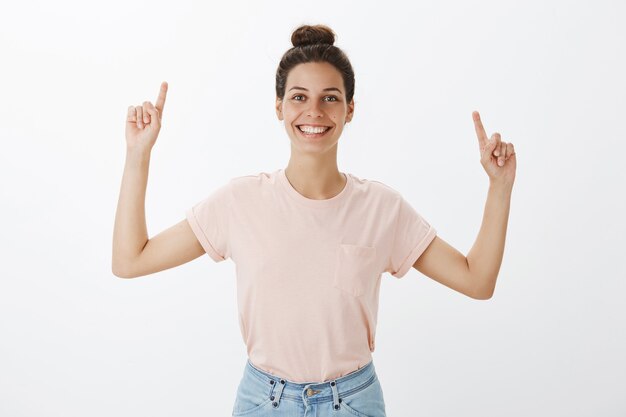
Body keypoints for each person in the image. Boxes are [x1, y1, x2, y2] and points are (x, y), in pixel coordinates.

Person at [112, 24, 516, 417]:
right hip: (263, 401)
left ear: (350, 109)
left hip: (354, 401)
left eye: (330, 98)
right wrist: (138, 155)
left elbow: (476, 280)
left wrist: (499, 186)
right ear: (279, 106)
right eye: (299, 96)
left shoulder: (382, 208)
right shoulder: (240, 201)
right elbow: (131, 260)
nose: (314, 112)